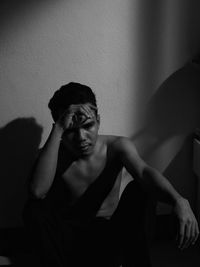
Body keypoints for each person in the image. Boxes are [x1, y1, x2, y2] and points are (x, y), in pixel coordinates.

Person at [23, 82, 199, 267]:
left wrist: (179, 200)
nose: (81, 137)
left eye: (88, 125)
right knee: (33, 210)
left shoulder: (116, 147)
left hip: (108, 236)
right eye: (70, 130)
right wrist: (59, 127)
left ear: (98, 120)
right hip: (68, 241)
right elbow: (37, 192)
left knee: (138, 189)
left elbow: (144, 172)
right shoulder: (51, 156)